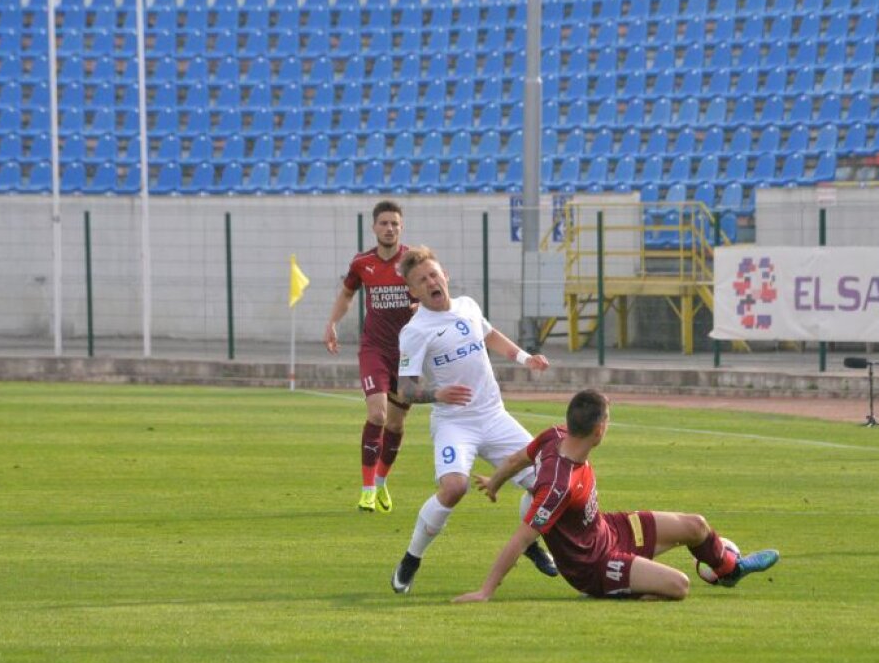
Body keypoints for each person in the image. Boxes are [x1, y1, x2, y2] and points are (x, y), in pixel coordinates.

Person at [454, 389, 779, 603]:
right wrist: (485, 591)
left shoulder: (555, 435)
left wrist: (495, 482)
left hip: (609, 530)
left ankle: (729, 571)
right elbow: (521, 540)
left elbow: (516, 460)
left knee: (696, 526)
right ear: (598, 431)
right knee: (678, 586)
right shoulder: (557, 486)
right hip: (594, 564)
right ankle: (616, 590)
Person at [390, 246, 558, 593]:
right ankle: (411, 558)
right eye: (422, 280)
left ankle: (529, 544)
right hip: (455, 423)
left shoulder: (467, 306)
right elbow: (404, 390)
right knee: (454, 488)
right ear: (413, 292)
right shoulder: (415, 331)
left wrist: (525, 358)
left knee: (546, 484)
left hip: (494, 417)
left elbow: (489, 335)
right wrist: (437, 394)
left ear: (445, 276)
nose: (431, 282)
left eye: (434, 274)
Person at [323, 201, 416, 513]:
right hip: (374, 349)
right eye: (384, 223)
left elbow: (439, 291)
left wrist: (424, 306)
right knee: (377, 414)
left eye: (395, 224)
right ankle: (366, 490)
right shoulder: (362, 262)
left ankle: (380, 482)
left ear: (401, 228)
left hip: (410, 354)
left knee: (397, 424)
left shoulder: (415, 260)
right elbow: (347, 294)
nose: (389, 228)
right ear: (374, 227)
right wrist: (332, 323)